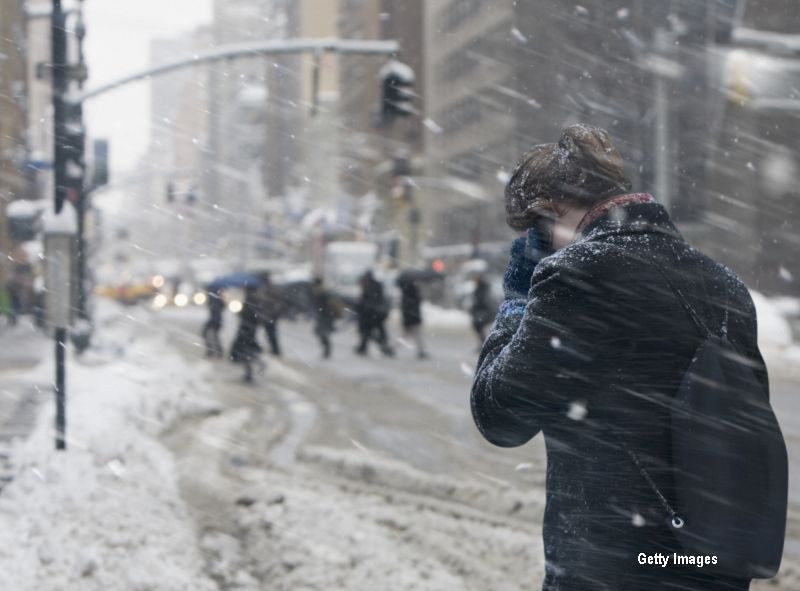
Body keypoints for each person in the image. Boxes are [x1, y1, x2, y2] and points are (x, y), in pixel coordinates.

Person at [471, 124, 766, 590]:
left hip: (613, 567)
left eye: (533, 229)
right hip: (710, 558)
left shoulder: (579, 276)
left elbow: (499, 416)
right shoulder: (724, 284)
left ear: (550, 212)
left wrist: (516, 300)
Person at [355, 270, 394, 357]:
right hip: (377, 313)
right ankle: (383, 347)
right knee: (377, 332)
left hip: (369, 314)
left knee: (367, 332)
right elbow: (380, 298)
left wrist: (360, 307)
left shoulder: (367, 286)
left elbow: (364, 301)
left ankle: (365, 347)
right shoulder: (377, 285)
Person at [230, 285, 264, 383]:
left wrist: (240, 311)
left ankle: (251, 372)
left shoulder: (250, 300)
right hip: (249, 329)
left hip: (246, 329)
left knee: (245, 352)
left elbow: (245, 314)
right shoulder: (256, 300)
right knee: (247, 351)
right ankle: (252, 370)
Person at [397, 275, 428, 359]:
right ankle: (421, 351)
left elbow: (406, 309)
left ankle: (421, 351)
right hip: (413, 319)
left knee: (407, 336)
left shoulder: (406, 295)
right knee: (414, 336)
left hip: (410, 319)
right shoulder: (412, 296)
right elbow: (412, 308)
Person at [311, 277, 338, 359]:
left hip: (325, 317)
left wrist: (320, 313)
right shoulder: (323, 292)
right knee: (322, 333)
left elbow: (322, 306)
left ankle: (327, 351)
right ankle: (326, 350)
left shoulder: (321, 293)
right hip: (327, 316)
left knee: (323, 334)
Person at [258, 272, 283, 357]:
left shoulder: (267, 288)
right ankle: (275, 350)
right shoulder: (267, 287)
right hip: (269, 315)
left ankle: (275, 350)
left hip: (269, 315)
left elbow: (272, 301)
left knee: (270, 333)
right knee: (270, 333)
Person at [469, 275, 493, 348]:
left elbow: (483, 302)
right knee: (478, 327)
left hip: (483, 312)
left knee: (478, 326)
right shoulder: (481, 289)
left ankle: (484, 344)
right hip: (481, 312)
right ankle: (484, 344)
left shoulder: (482, 290)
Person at [202, 287, 225, 358]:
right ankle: (216, 351)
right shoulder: (218, 299)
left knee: (207, 334)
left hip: (215, 320)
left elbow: (215, 310)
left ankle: (213, 351)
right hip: (216, 320)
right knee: (213, 336)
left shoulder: (214, 299)